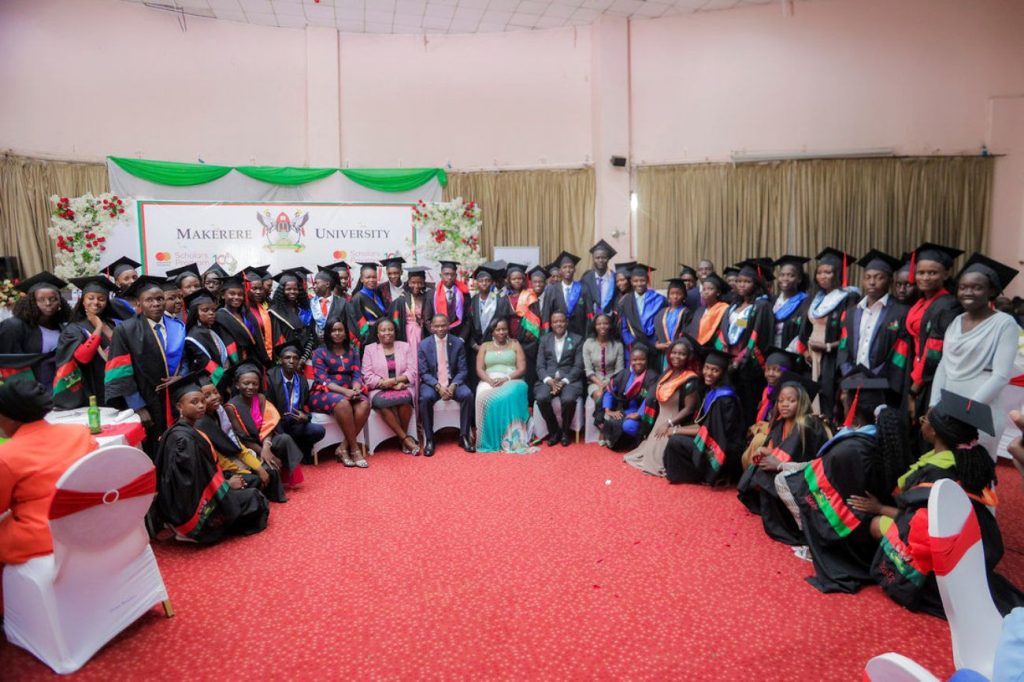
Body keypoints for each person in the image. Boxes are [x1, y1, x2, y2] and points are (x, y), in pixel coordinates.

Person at [855, 392, 1022, 618]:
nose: (922, 422)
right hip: (967, 541)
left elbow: (914, 522)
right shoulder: (964, 458)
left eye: (925, 420)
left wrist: (879, 509)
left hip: (937, 545)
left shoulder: (937, 473)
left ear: (934, 432)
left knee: (875, 524)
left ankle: (920, 580)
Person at [783, 372, 905, 593]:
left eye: (846, 397)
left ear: (854, 406)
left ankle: (814, 546)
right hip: (863, 512)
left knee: (793, 483)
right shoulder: (878, 436)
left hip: (851, 528)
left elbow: (827, 483)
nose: (842, 400)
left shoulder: (853, 449)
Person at [155, 374, 268, 544]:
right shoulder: (183, 440)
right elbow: (187, 482)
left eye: (202, 401)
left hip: (201, 491)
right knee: (254, 498)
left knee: (250, 484)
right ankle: (191, 532)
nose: (201, 406)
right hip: (190, 507)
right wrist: (226, 485)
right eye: (194, 402)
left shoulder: (186, 430)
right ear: (179, 406)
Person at [929, 253, 1020, 457]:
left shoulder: (1004, 324)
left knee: (978, 473)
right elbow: (944, 365)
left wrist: (966, 410)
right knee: (949, 470)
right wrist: (934, 404)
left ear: (992, 291)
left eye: (977, 287)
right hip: (949, 408)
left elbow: (1001, 376)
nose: (968, 292)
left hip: (981, 410)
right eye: (963, 287)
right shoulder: (956, 321)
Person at [0, 380, 97, 569]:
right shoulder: (80, 433)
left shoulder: (7, 455)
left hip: (40, 539)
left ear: (11, 418)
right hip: (86, 525)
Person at [737, 374, 829, 545]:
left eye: (791, 400)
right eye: (781, 401)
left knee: (764, 475)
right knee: (756, 469)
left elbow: (793, 454)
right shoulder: (781, 423)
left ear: (801, 402)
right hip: (786, 468)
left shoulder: (806, 423)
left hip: (808, 475)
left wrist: (775, 461)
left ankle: (789, 529)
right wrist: (766, 451)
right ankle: (776, 519)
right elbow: (776, 447)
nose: (784, 404)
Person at [104, 276, 187, 455]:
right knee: (153, 446)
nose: (156, 303)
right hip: (145, 398)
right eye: (149, 300)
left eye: (159, 299)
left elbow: (186, 359)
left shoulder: (177, 326)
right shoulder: (126, 330)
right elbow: (120, 372)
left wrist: (182, 377)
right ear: (139, 304)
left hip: (175, 397)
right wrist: (137, 407)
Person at [662, 346, 744, 485]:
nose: (709, 373)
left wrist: (675, 430)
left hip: (724, 449)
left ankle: (707, 475)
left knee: (676, 441)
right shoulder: (712, 392)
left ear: (723, 373)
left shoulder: (724, 399)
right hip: (713, 439)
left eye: (715, 370)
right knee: (677, 437)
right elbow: (703, 425)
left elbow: (708, 432)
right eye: (707, 368)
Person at [196, 378, 286, 503]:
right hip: (220, 469)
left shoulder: (219, 411)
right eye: (207, 396)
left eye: (215, 392)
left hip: (234, 456)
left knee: (269, 468)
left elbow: (235, 444)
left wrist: (257, 467)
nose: (214, 397)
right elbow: (219, 459)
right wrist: (246, 470)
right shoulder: (201, 424)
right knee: (254, 478)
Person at [903, 242, 963, 425]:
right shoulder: (921, 302)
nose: (926, 277)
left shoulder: (947, 305)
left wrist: (914, 389)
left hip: (930, 379)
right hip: (915, 373)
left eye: (933, 272)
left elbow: (934, 350)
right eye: (921, 272)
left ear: (946, 274)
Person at [796, 247, 858, 421]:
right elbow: (804, 330)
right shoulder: (814, 298)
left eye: (828, 272)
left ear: (837, 273)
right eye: (820, 272)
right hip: (812, 358)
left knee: (829, 397)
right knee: (813, 396)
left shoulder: (848, 297)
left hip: (833, 357)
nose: (823, 276)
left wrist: (828, 347)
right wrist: (805, 351)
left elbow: (849, 334)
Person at [837, 250, 909, 396]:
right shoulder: (851, 312)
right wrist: (848, 372)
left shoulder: (901, 312)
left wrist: (872, 378)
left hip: (884, 385)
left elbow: (900, 353)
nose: (872, 282)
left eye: (878, 277)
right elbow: (843, 346)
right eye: (868, 277)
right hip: (851, 380)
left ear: (890, 281)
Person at [624, 338, 700, 476]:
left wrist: (669, 424)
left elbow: (688, 409)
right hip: (660, 419)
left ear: (688, 357)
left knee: (658, 461)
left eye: (682, 354)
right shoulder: (668, 373)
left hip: (673, 422)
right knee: (646, 453)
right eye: (674, 352)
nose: (676, 356)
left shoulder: (691, 379)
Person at [224, 363, 305, 487]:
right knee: (269, 469)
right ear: (237, 385)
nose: (251, 387)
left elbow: (269, 424)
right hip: (249, 448)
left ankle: (288, 476)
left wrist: (267, 447)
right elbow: (242, 438)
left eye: (255, 383)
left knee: (285, 439)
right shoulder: (231, 407)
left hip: (265, 440)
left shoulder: (260, 398)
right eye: (246, 383)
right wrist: (262, 451)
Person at [52, 276, 122, 409]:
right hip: (92, 390)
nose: (96, 302)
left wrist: (104, 326)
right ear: (82, 301)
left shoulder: (113, 324)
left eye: (101, 299)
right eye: (91, 298)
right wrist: (98, 328)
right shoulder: (74, 329)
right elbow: (83, 357)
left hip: (116, 385)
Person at [310, 316, 370, 466]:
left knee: (364, 404)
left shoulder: (353, 351)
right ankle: (355, 449)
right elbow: (323, 379)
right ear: (328, 333)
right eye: (333, 330)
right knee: (343, 403)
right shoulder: (319, 352)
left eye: (340, 330)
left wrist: (356, 387)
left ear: (345, 332)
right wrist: (345, 391)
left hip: (348, 390)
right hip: (324, 392)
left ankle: (343, 447)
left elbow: (356, 373)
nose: (337, 333)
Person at [721, 260, 774, 429]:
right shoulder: (734, 305)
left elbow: (758, 336)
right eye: (739, 281)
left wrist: (740, 359)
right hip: (730, 361)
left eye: (747, 281)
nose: (742, 285)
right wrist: (724, 355)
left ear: (756, 283)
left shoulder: (761, 306)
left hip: (748, 366)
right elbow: (726, 331)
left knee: (747, 404)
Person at [0, 272, 71, 391]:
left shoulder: (62, 326)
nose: (48, 303)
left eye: (52, 299)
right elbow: (12, 365)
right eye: (41, 300)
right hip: (31, 390)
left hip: (61, 387)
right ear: (31, 302)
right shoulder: (14, 326)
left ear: (60, 302)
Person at [474, 318, 535, 453]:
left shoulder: (515, 344)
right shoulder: (485, 346)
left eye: (504, 329)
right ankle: (489, 439)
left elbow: (522, 369)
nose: (501, 332)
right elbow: (479, 369)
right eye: (498, 329)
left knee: (511, 392)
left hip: (512, 380)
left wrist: (506, 378)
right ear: (492, 332)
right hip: (489, 380)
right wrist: (489, 381)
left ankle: (511, 438)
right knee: (482, 399)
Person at [418, 313, 475, 455]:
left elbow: (463, 370)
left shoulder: (457, 343)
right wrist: (438, 387)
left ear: (449, 325)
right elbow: (423, 373)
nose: (440, 328)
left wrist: (453, 385)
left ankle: (464, 436)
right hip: (433, 384)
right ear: (431, 328)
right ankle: (430, 439)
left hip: (453, 382)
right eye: (437, 326)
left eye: (443, 325)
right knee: (425, 398)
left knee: (467, 394)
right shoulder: (424, 345)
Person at [362, 318, 420, 455]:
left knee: (405, 400)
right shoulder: (369, 349)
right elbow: (367, 375)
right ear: (377, 333)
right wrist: (388, 384)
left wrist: (395, 381)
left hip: (402, 386)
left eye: (390, 329)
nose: (387, 332)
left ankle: (402, 439)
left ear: (395, 331)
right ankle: (405, 439)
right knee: (381, 403)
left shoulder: (404, 346)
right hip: (379, 389)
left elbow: (412, 371)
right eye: (383, 330)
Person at [264, 341, 326, 462]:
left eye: (295, 358)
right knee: (283, 436)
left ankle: (299, 451)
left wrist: (305, 417)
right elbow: (267, 406)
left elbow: (307, 405)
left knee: (318, 431)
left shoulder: (301, 380)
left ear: (298, 361)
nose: (291, 361)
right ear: (280, 360)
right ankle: (289, 454)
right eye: (287, 357)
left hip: (295, 423)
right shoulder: (270, 378)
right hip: (277, 424)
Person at [534, 310, 585, 447]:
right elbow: (540, 365)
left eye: (561, 321)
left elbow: (578, 366)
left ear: (566, 322)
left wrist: (563, 382)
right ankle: (554, 431)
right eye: (555, 321)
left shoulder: (577, 339)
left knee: (568, 400)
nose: (559, 324)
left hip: (569, 380)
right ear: (551, 324)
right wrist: (549, 381)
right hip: (549, 379)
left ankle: (565, 432)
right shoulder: (545, 339)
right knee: (541, 398)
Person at [601, 346, 659, 451]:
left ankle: (635, 442)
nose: (638, 362)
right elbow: (610, 390)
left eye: (642, 359)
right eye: (635, 360)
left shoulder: (652, 377)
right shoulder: (624, 373)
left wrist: (638, 414)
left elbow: (650, 399)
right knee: (611, 420)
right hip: (624, 409)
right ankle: (623, 442)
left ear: (647, 360)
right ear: (630, 360)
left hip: (642, 411)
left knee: (629, 426)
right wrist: (608, 410)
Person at [467, 263, 513, 389]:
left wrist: (494, 345)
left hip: (494, 349)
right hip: (475, 348)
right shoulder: (471, 300)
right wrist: (474, 345)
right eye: (481, 281)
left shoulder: (501, 300)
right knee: (475, 382)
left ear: (492, 282)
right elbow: (466, 326)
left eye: (487, 280)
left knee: (494, 382)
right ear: (476, 283)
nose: (484, 283)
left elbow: (504, 325)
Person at [582, 313, 625, 441]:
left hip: (614, 380)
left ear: (610, 325)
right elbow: (588, 370)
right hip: (594, 380)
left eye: (605, 323)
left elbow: (620, 370)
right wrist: (601, 385)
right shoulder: (588, 344)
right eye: (599, 323)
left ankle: (603, 423)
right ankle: (602, 424)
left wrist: (608, 384)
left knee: (609, 393)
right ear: (594, 326)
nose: (603, 326)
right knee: (600, 395)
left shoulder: (618, 345)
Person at [182, 289, 233, 392]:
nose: (211, 313)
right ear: (195, 313)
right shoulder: (194, 337)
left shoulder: (210, 331)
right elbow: (206, 363)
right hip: (209, 385)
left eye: (213, 310)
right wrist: (228, 381)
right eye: (205, 310)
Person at [618, 264, 666, 359]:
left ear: (647, 280)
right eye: (635, 281)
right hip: (633, 346)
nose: (639, 284)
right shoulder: (625, 301)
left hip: (653, 345)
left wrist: (654, 341)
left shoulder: (659, 300)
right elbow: (623, 326)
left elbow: (662, 323)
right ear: (631, 282)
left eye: (642, 280)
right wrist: (631, 342)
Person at [269, 268, 316, 362]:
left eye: (295, 289)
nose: (292, 292)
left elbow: (310, 336)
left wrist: (303, 358)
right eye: (288, 289)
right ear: (282, 291)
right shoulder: (275, 312)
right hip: (286, 360)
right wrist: (291, 359)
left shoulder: (303, 311)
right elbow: (278, 340)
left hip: (304, 359)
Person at [541, 251, 592, 338]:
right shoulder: (552, 290)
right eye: (564, 267)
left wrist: (588, 336)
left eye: (571, 267)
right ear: (560, 270)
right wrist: (547, 337)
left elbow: (589, 315)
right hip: (557, 336)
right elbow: (546, 315)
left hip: (579, 335)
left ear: (575, 269)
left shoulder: (583, 289)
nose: (568, 270)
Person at [423, 260, 471, 342]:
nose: (449, 277)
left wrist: (462, 338)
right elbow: (427, 319)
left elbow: (468, 319)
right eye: (446, 274)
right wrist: (436, 334)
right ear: (440, 275)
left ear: (456, 276)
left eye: (452, 274)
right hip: (437, 338)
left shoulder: (464, 294)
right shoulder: (431, 294)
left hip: (458, 338)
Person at [771, 255, 811, 350]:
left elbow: (805, 332)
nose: (785, 278)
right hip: (770, 348)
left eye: (791, 275)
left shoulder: (805, 302)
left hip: (792, 351)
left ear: (799, 279)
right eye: (782, 275)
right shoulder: (772, 300)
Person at [652, 278, 691, 370]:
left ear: (684, 296)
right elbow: (656, 333)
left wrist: (674, 345)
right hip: (663, 352)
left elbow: (687, 333)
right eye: (672, 294)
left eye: (679, 294)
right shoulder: (661, 313)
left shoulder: (687, 313)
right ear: (668, 296)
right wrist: (657, 344)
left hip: (678, 353)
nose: (675, 296)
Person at [387, 265, 430, 350]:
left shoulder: (427, 298)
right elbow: (395, 321)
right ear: (409, 282)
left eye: (419, 283)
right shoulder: (401, 300)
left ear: (424, 282)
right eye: (413, 282)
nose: (416, 286)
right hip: (406, 334)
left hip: (424, 333)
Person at [685, 273, 730, 346]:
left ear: (718, 293)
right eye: (704, 289)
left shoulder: (724, 308)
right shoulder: (699, 311)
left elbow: (723, 331)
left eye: (710, 289)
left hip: (715, 348)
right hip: (697, 348)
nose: (706, 292)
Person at [581, 239, 618, 317]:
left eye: (604, 257)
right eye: (597, 258)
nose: (600, 260)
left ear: (608, 259)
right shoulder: (586, 278)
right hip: (590, 320)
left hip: (610, 320)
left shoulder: (614, 278)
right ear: (593, 259)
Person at [246, 265, 276, 360]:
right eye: (254, 288)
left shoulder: (263, 309)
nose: (258, 292)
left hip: (265, 355)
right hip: (250, 356)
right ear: (246, 288)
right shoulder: (242, 310)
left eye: (260, 288)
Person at [310, 266, 346, 344]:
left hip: (337, 346)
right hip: (316, 348)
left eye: (317, 283)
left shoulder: (342, 303)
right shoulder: (310, 303)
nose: (314, 286)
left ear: (327, 284)